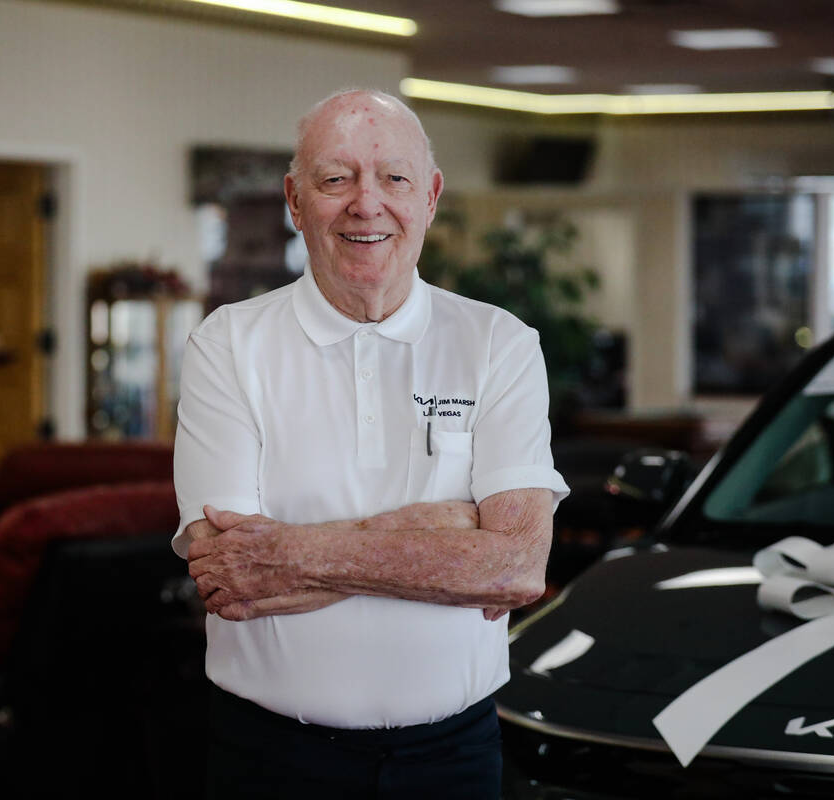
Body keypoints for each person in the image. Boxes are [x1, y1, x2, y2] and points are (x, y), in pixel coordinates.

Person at [172, 88, 570, 799]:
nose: (367, 203)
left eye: (394, 178)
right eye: (336, 179)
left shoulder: (498, 343)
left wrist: (291, 552)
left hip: (453, 761)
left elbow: (513, 570)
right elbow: (229, 576)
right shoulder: (227, 345)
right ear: (295, 201)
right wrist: (448, 532)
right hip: (269, 759)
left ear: (431, 196)